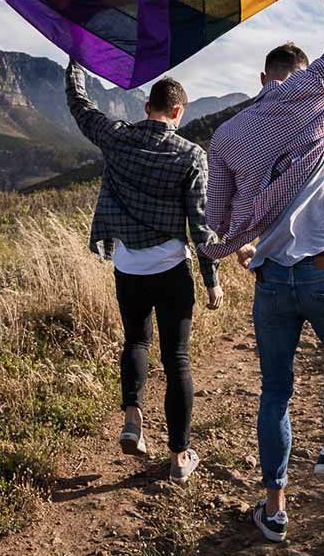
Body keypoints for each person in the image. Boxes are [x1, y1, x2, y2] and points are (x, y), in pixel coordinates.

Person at [200, 0, 324, 542]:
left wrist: (241, 246)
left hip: (270, 279)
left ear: (262, 80)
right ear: (299, 73)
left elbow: (218, 216)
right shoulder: (317, 94)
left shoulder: (227, 133)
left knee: (274, 392)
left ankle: (274, 508)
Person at [66, 60, 223, 483]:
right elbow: (200, 224)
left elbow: (80, 108)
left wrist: (74, 65)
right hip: (172, 270)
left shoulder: (117, 138)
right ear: (177, 112)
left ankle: (133, 419)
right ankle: (178, 456)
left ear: (147, 105)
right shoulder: (192, 155)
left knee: (136, 340)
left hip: (127, 267)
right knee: (177, 360)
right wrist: (211, 280)